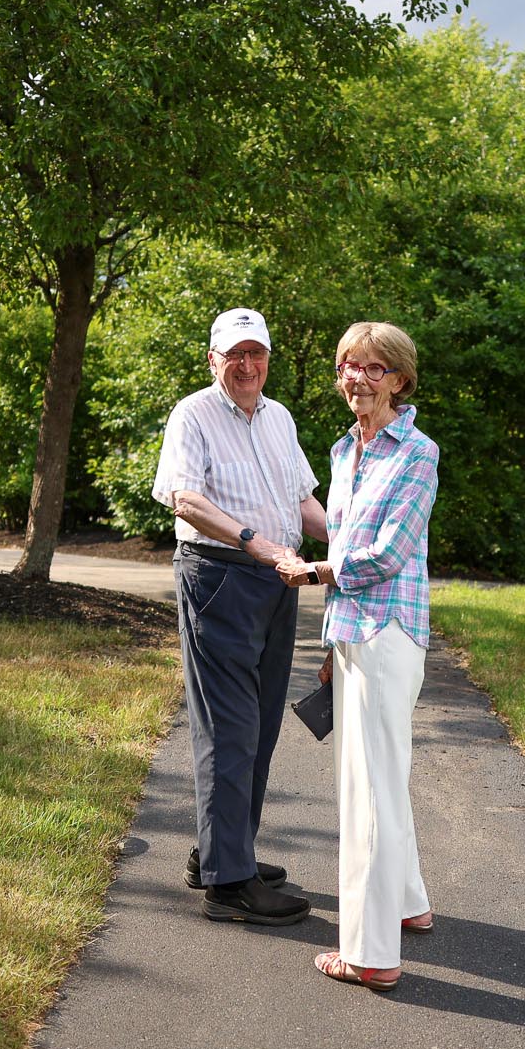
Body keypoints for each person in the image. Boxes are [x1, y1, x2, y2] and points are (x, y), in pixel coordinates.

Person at [275, 321, 438, 991]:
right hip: (354, 632)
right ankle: (407, 904)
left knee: (366, 792)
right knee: (383, 776)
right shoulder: (347, 450)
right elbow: (344, 531)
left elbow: (387, 553)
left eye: (375, 369)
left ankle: (370, 956)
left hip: (390, 634)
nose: (359, 379)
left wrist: (314, 573)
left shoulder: (417, 452)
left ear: (400, 378)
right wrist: (328, 646)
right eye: (349, 366)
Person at [153, 307, 328, 925]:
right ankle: (230, 886)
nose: (247, 365)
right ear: (214, 360)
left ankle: (224, 852)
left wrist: (355, 540)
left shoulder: (278, 416)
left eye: (257, 354)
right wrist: (254, 541)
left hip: (280, 580)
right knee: (231, 727)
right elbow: (185, 497)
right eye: (235, 355)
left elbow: (302, 501)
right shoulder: (193, 414)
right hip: (221, 577)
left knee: (260, 723)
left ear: (268, 360)